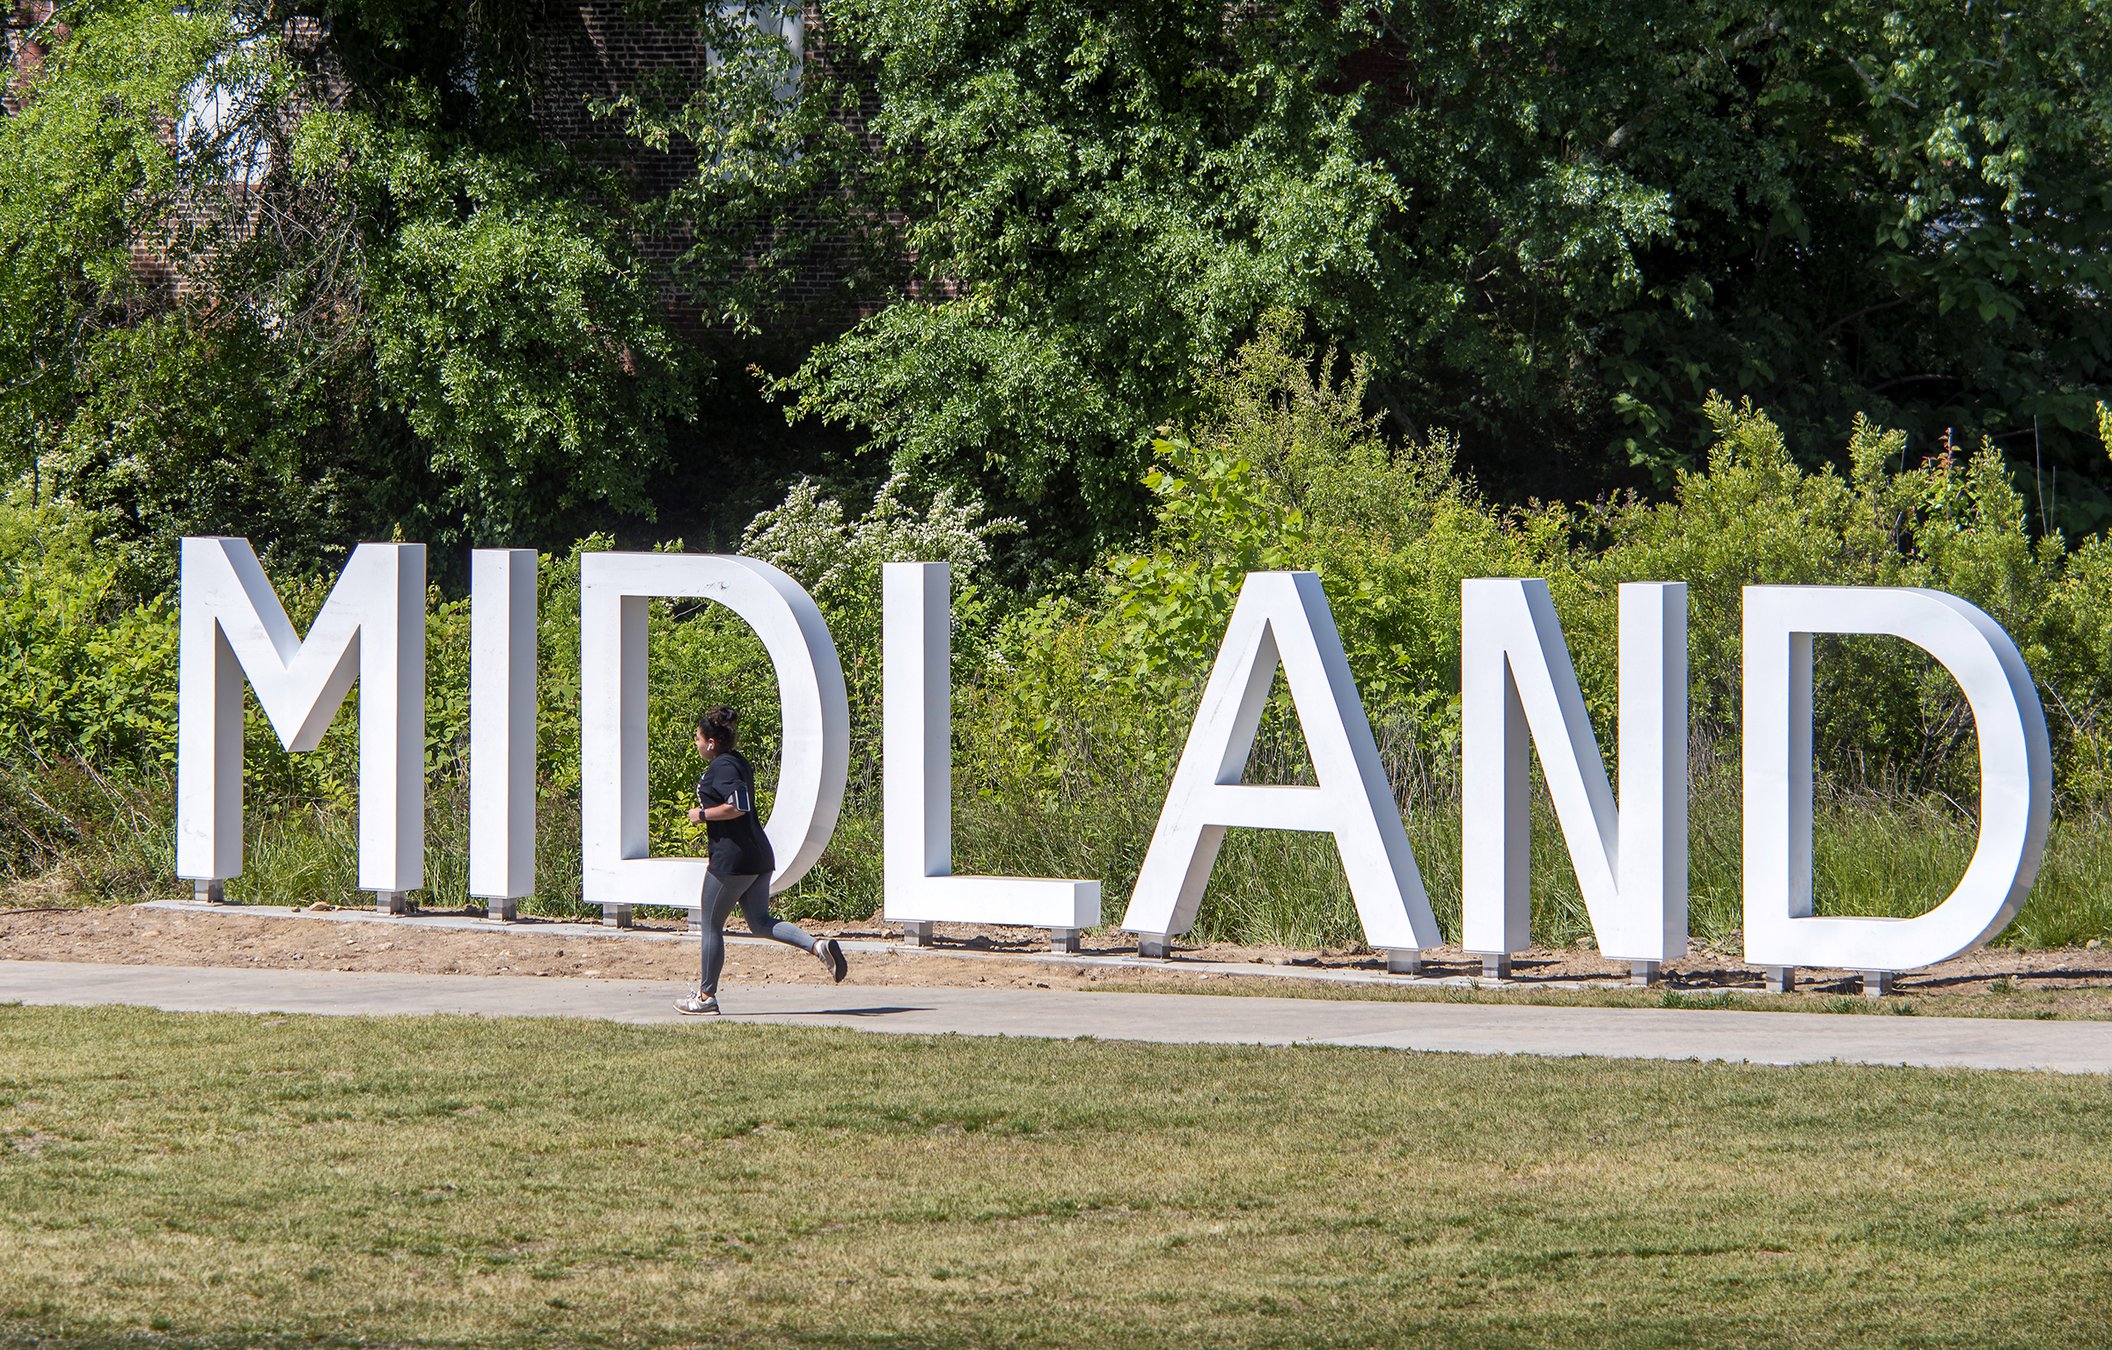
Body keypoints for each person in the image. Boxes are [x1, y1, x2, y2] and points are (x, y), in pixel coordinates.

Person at [675, 705, 847, 1015]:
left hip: (733, 859)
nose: (697, 744)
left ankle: (705, 997)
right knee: (760, 922)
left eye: (698, 739)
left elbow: (738, 805)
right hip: (759, 855)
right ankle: (817, 946)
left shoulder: (722, 767)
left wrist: (700, 815)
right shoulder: (738, 761)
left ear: (711, 742)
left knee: (711, 925)